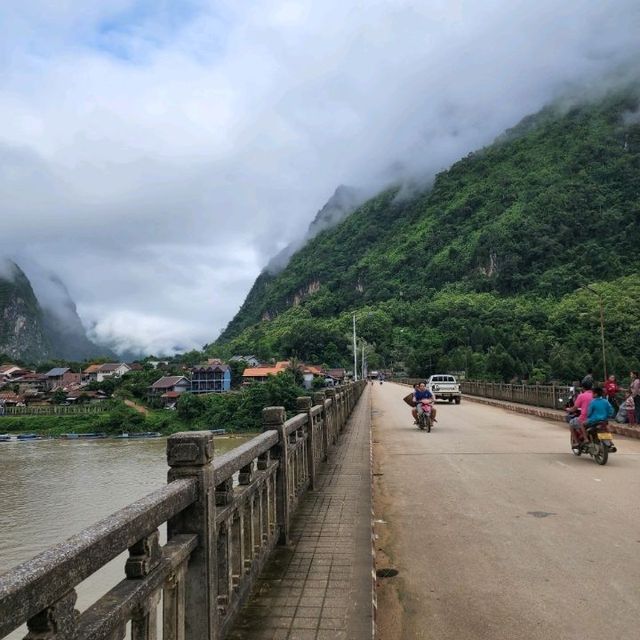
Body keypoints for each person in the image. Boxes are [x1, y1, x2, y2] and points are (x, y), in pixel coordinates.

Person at [569, 381, 593, 449]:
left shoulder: (581, 396)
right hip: (598, 418)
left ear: (583, 388)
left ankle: (577, 442)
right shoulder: (596, 395)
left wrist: (568, 409)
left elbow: (574, 408)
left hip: (585, 418)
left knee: (571, 423)